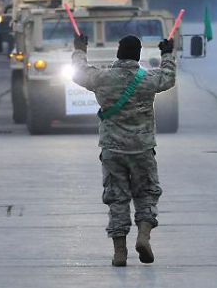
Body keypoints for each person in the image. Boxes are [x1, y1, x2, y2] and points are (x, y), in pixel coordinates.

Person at [72, 33, 176, 266]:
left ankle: (120, 252)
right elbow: (168, 77)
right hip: (142, 149)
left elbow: (78, 72)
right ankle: (143, 236)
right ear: (138, 56)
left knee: (117, 199)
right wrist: (167, 53)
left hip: (112, 150)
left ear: (118, 53)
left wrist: (80, 49)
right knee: (146, 194)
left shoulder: (103, 78)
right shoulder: (147, 80)